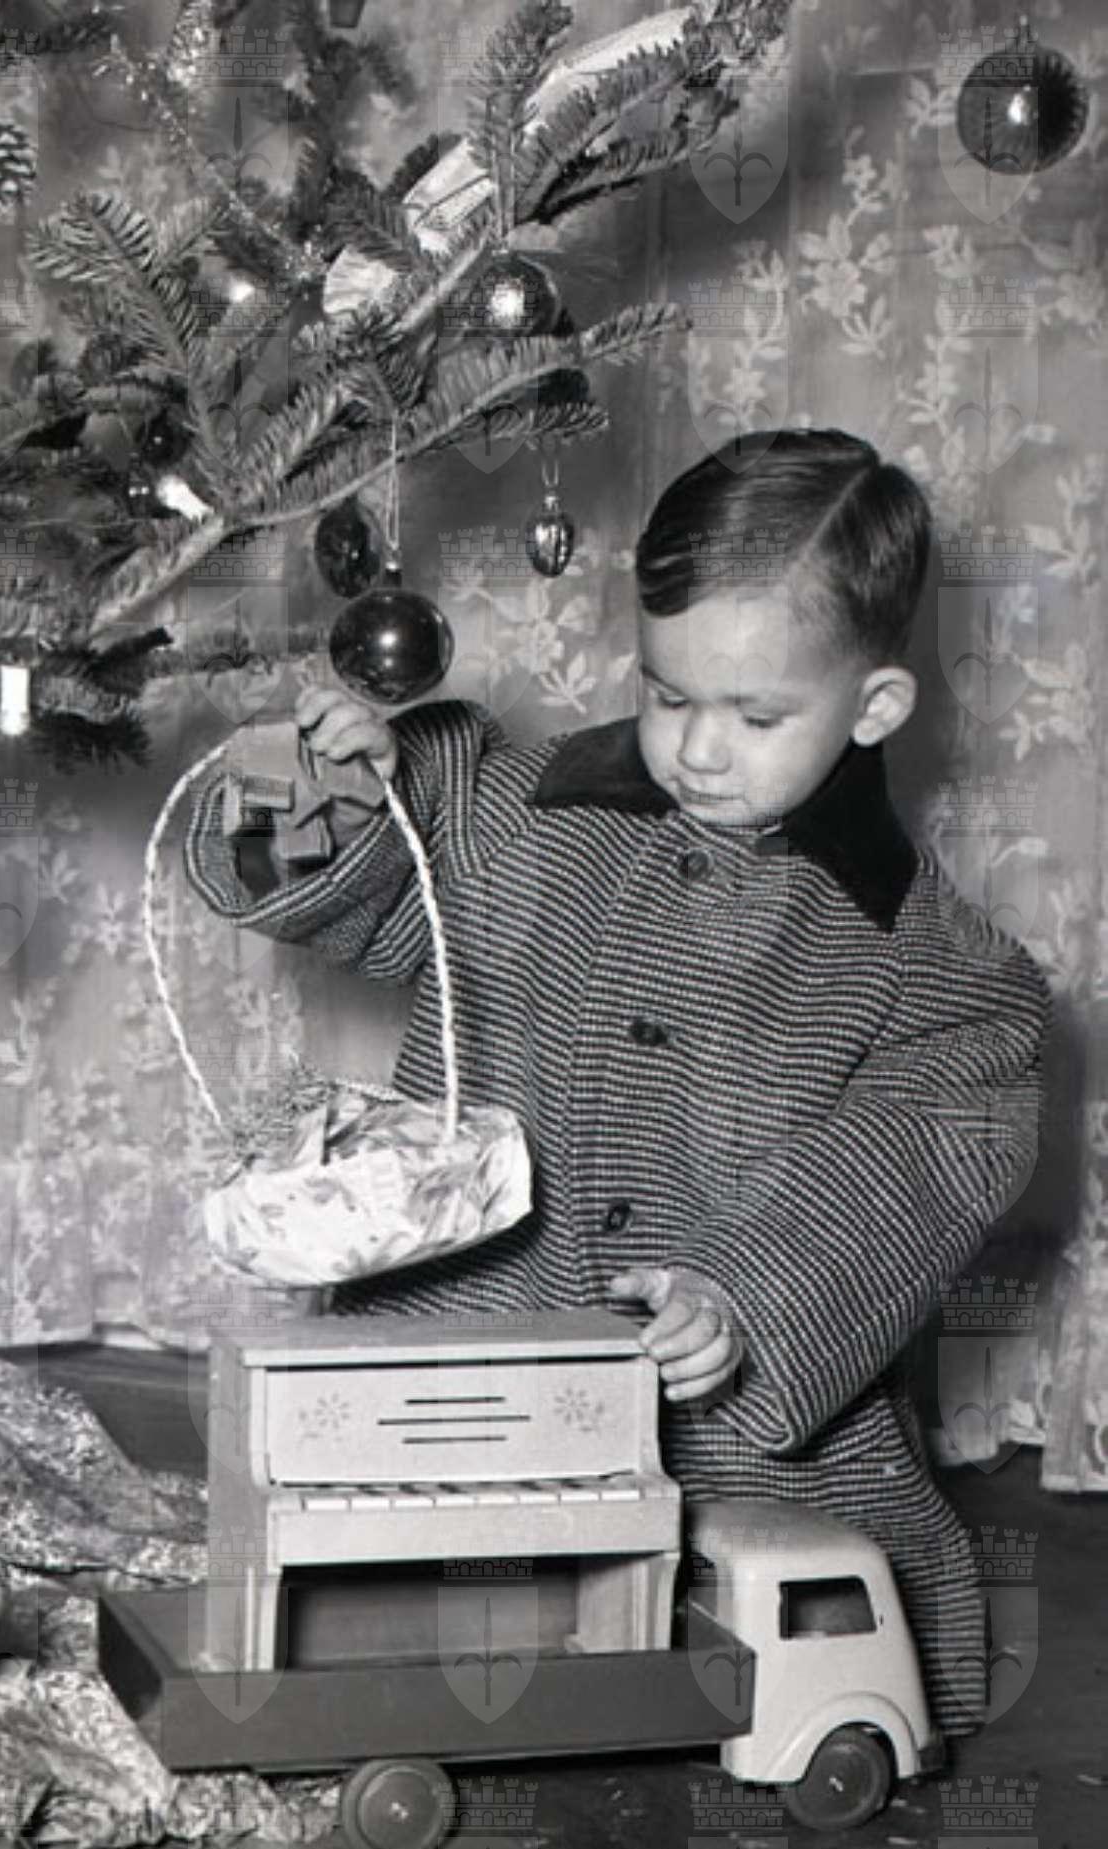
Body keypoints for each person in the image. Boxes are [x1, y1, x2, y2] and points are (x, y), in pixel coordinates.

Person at [183, 428, 1051, 1740]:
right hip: (471, 1343)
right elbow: (385, 900)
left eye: (755, 717)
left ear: (874, 708)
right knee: (366, 1576)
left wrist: (752, 1299)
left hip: (730, 1424)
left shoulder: (933, 968)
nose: (697, 749)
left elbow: (920, 1158)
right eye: (665, 693)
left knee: (779, 1597)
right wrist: (348, 802)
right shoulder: (521, 810)